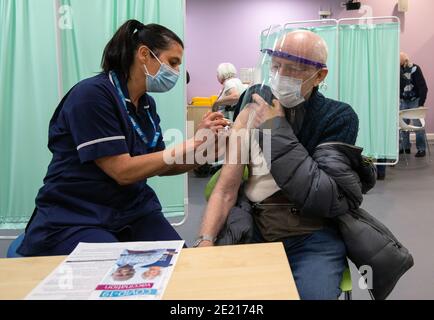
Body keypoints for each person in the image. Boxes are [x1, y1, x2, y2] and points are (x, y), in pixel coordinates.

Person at [18, 20, 229, 257]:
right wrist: (192, 143)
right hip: (78, 213)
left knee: (179, 265)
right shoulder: (92, 96)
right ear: (144, 54)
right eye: (172, 62)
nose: (177, 73)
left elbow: (161, 165)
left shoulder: (146, 105)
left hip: (133, 210)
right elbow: (122, 171)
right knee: (115, 274)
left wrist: (204, 152)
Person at [196, 30, 366, 300]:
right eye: (275, 66)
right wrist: (205, 240)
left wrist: (276, 128)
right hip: (253, 225)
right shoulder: (254, 98)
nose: (279, 76)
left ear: (320, 76)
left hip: (310, 233)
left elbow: (323, 195)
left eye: (293, 69)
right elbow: (226, 188)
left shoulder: (338, 117)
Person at [400, 52, 429, 157]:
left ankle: (421, 149)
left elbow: (423, 87)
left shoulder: (415, 69)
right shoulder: (398, 70)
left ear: (404, 60)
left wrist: (421, 103)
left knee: (418, 125)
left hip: (415, 100)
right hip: (403, 100)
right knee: (403, 126)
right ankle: (405, 147)